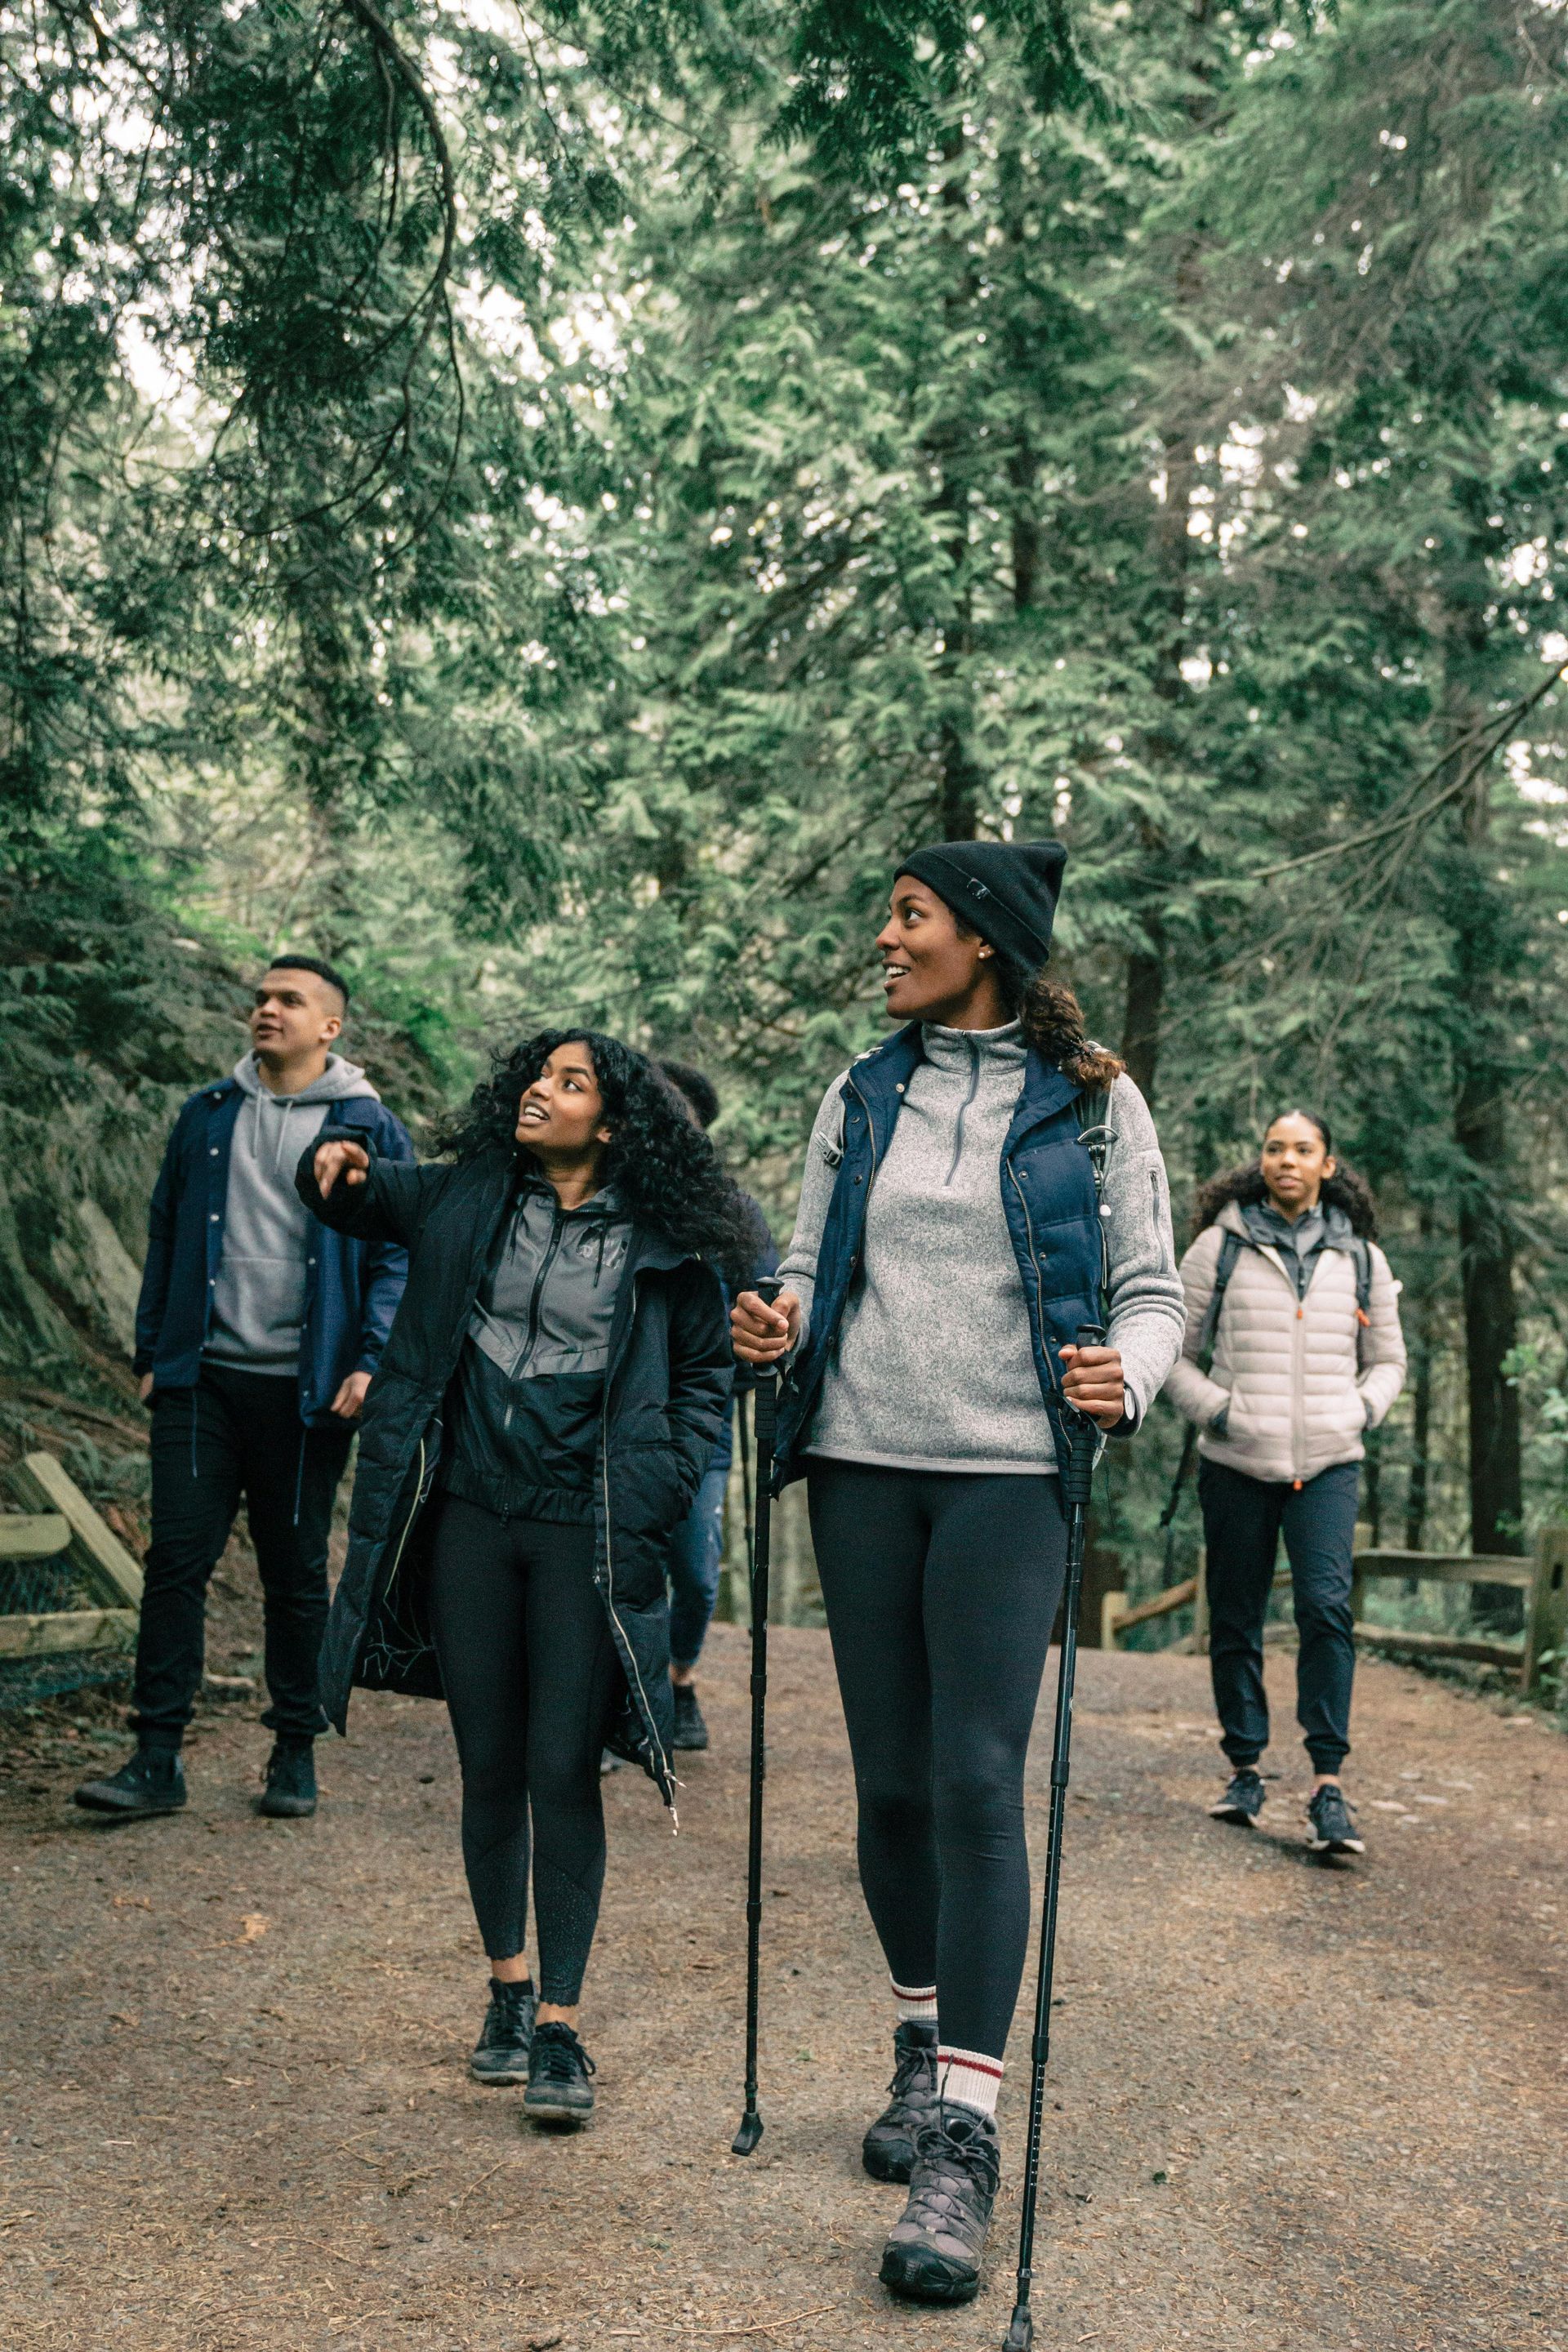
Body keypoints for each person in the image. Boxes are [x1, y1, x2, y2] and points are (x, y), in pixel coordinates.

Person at [731, 840, 1184, 2308]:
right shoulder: (863, 1094)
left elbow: (1152, 1291)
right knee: (896, 1791)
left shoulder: (1098, 1103)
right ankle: (920, 2040)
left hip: (1009, 1477)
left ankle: (966, 2142)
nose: (886, 935)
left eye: (909, 915)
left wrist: (1139, 1373)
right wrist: (776, 1319)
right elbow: (810, 1263)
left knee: (983, 1783)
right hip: (863, 1468)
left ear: (983, 939)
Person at [299, 1031, 750, 2127]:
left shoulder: (673, 1239)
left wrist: (663, 1473)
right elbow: (357, 1192)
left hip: (580, 1531)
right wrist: (334, 1155)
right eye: (538, 1076)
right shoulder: (467, 1194)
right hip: (467, 1516)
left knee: (563, 1766)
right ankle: (506, 1991)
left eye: (571, 1082)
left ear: (615, 1118)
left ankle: (561, 2025)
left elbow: (704, 1376)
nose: (542, 1094)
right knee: (490, 1762)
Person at [76, 956, 412, 1824]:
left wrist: (370, 1358)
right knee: (175, 1564)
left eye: (289, 1001)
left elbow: (396, 1251)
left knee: (294, 1573)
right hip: (202, 1382)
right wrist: (154, 1350)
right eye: (262, 998)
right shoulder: (209, 1113)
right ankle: (156, 1758)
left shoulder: (369, 1124)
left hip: (307, 1392)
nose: (267, 1010)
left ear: (330, 1026)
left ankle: (294, 1749)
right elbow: (165, 1227)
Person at [1165, 1110, 1405, 1855]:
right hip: (1238, 1462)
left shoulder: (1361, 1258)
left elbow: (1389, 1361)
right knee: (1234, 1613)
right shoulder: (1218, 1249)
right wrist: (1221, 1412)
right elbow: (1171, 1352)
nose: (1287, 1160)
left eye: (1303, 1150)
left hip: (1330, 1462)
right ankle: (1244, 1768)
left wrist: (1358, 1410)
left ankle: (1328, 1782)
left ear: (1327, 1165)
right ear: (1261, 1160)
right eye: (1274, 1148)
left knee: (1326, 1609)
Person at [657, 1060, 777, 1753]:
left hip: (702, 1414)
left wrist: (758, 1347)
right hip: (610, 1413)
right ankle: (624, 1695)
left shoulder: (729, 1208)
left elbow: (763, 1286)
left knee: (697, 1574)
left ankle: (680, 1677)